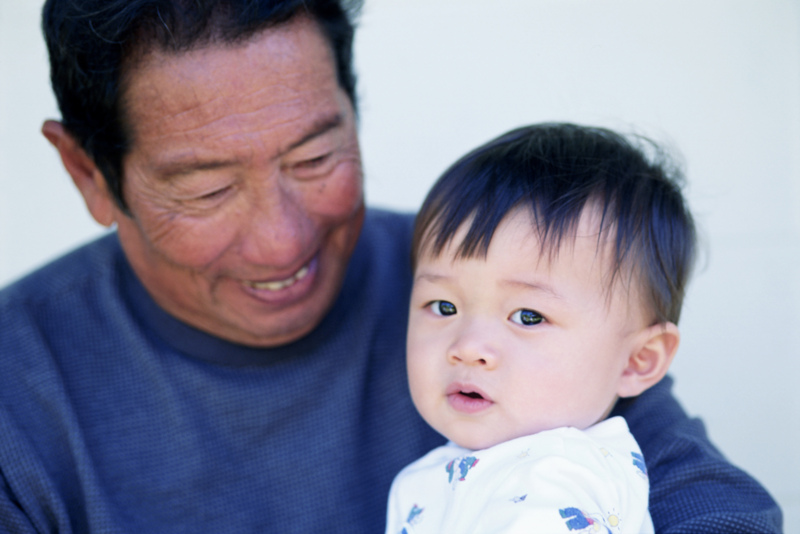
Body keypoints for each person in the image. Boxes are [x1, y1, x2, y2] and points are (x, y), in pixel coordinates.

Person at [0, 0, 782, 532]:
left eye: (315, 156)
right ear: (88, 175)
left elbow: (713, 503)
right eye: (207, 188)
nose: (282, 241)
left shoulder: (499, 280)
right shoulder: (20, 394)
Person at [385, 123, 690, 533]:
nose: (468, 346)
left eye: (529, 317)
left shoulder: (558, 482)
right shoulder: (440, 475)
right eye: (443, 306)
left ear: (637, 360)